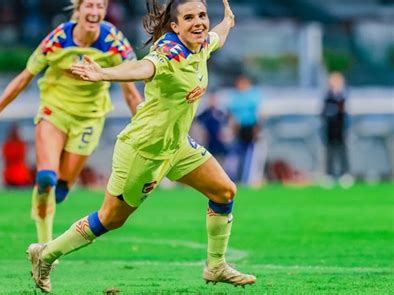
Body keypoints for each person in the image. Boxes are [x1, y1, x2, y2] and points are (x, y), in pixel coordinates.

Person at [27, 0, 256, 292]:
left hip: (176, 146)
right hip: (144, 150)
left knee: (224, 191)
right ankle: (44, 254)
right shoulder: (169, 53)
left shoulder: (201, 44)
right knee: (110, 218)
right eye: (189, 18)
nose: (199, 22)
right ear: (175, 26)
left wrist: (227, 22)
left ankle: (215, 266)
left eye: (202, 15)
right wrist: (104, 74)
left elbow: (217, 37)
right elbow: (141, 67)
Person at [0, 0, 142, 245]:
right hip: (54, 111)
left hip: (89, 118)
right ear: (78, 9)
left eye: (100, 6)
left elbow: (130, 90)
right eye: (89, 6)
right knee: (46, 178)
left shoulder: (114, 41)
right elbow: (26, 76)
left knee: (61, 190)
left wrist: (143, 123)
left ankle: (47, 198)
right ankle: (44, 246)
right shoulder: (58, 39)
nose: (95, 12)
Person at [226, 74, 262, 184]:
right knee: (236, 155)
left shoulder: (254, 95)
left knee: (250, 155)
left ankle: (248, 179)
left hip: (250, 128)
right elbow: (231, 114)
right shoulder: (235, 96)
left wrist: (257, 129)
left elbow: (258, 113)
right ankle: (236, 178)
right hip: (238, 129)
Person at [321, 72, 353, 187]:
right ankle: (329, 173)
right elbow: (323, 111)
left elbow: (346, 111)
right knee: (330, 151)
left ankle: (345, 173)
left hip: (341, 127)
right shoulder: (327, 95)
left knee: (342, 150)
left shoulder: (344, 95)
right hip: (330, 127)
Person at [195, 92, 228, 162]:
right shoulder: (205, 113)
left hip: (219, 140)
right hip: (208, 140)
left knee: (220, 158)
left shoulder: (220, 112)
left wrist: (224, 133)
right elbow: (198, 123)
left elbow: (225, 124)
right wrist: (202, 132)